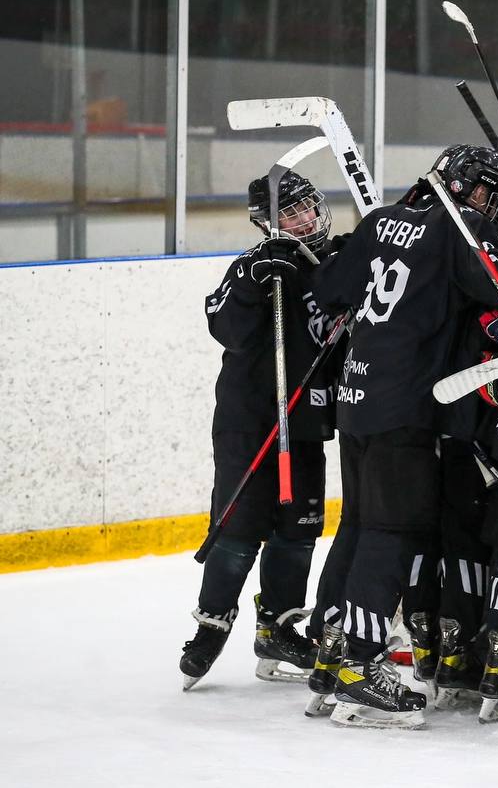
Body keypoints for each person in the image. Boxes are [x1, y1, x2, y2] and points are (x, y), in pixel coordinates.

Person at [304, 145, 498, 729]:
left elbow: (331, 286)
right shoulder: (455, 227)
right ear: (472, 188)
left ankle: (332, 656)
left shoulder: (382, 218)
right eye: (489, 191)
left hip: (356, 398)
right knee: (394, 530)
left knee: (359, 524)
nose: (493, 203)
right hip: (405, 406)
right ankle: (360, 667)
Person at [180, 171, 340, 692]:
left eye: (307, 207)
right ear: (266, 223)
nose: (305, 219)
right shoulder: (255, 266)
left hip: (307, 419)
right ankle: (211, 626)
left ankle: (278, 629)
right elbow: (222, 324)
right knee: (239, 528)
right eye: (289, 213)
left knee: (299, 530)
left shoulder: (335, 264)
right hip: (251, 422)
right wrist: (253, 281)